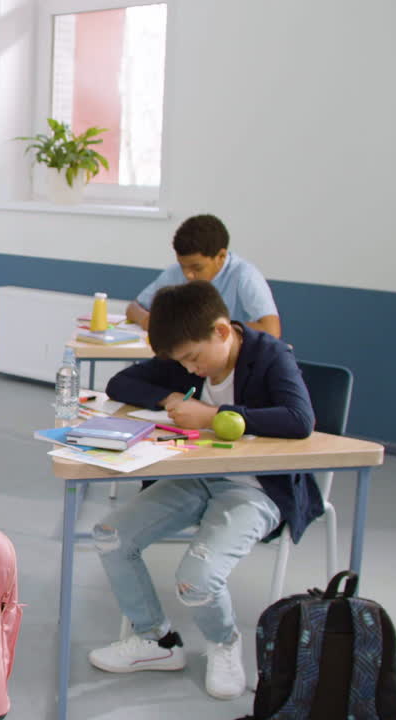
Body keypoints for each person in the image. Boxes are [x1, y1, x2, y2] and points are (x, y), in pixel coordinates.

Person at [90, 281, 317, 700]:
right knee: (110, 537)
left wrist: (214, 415)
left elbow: (299, 420)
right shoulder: (185, 359)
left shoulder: (270, 357)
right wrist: (169, 396)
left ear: (222, 331)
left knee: (197, 579)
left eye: (194, 359)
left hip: (256, 488)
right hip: (196, 478)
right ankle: (157, 641)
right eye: (182, 362)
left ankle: (224, 643)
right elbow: (120, 384)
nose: (191, 370)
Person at [125, 214, 282, 338]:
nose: (188, 274)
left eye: (197, 267)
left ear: (220, 257)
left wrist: (209, 326)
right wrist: (148, 320)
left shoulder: (245, 275)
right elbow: (133, 308)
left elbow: (271, 330)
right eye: (183, 266)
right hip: (185, 360)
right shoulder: (177, 273)